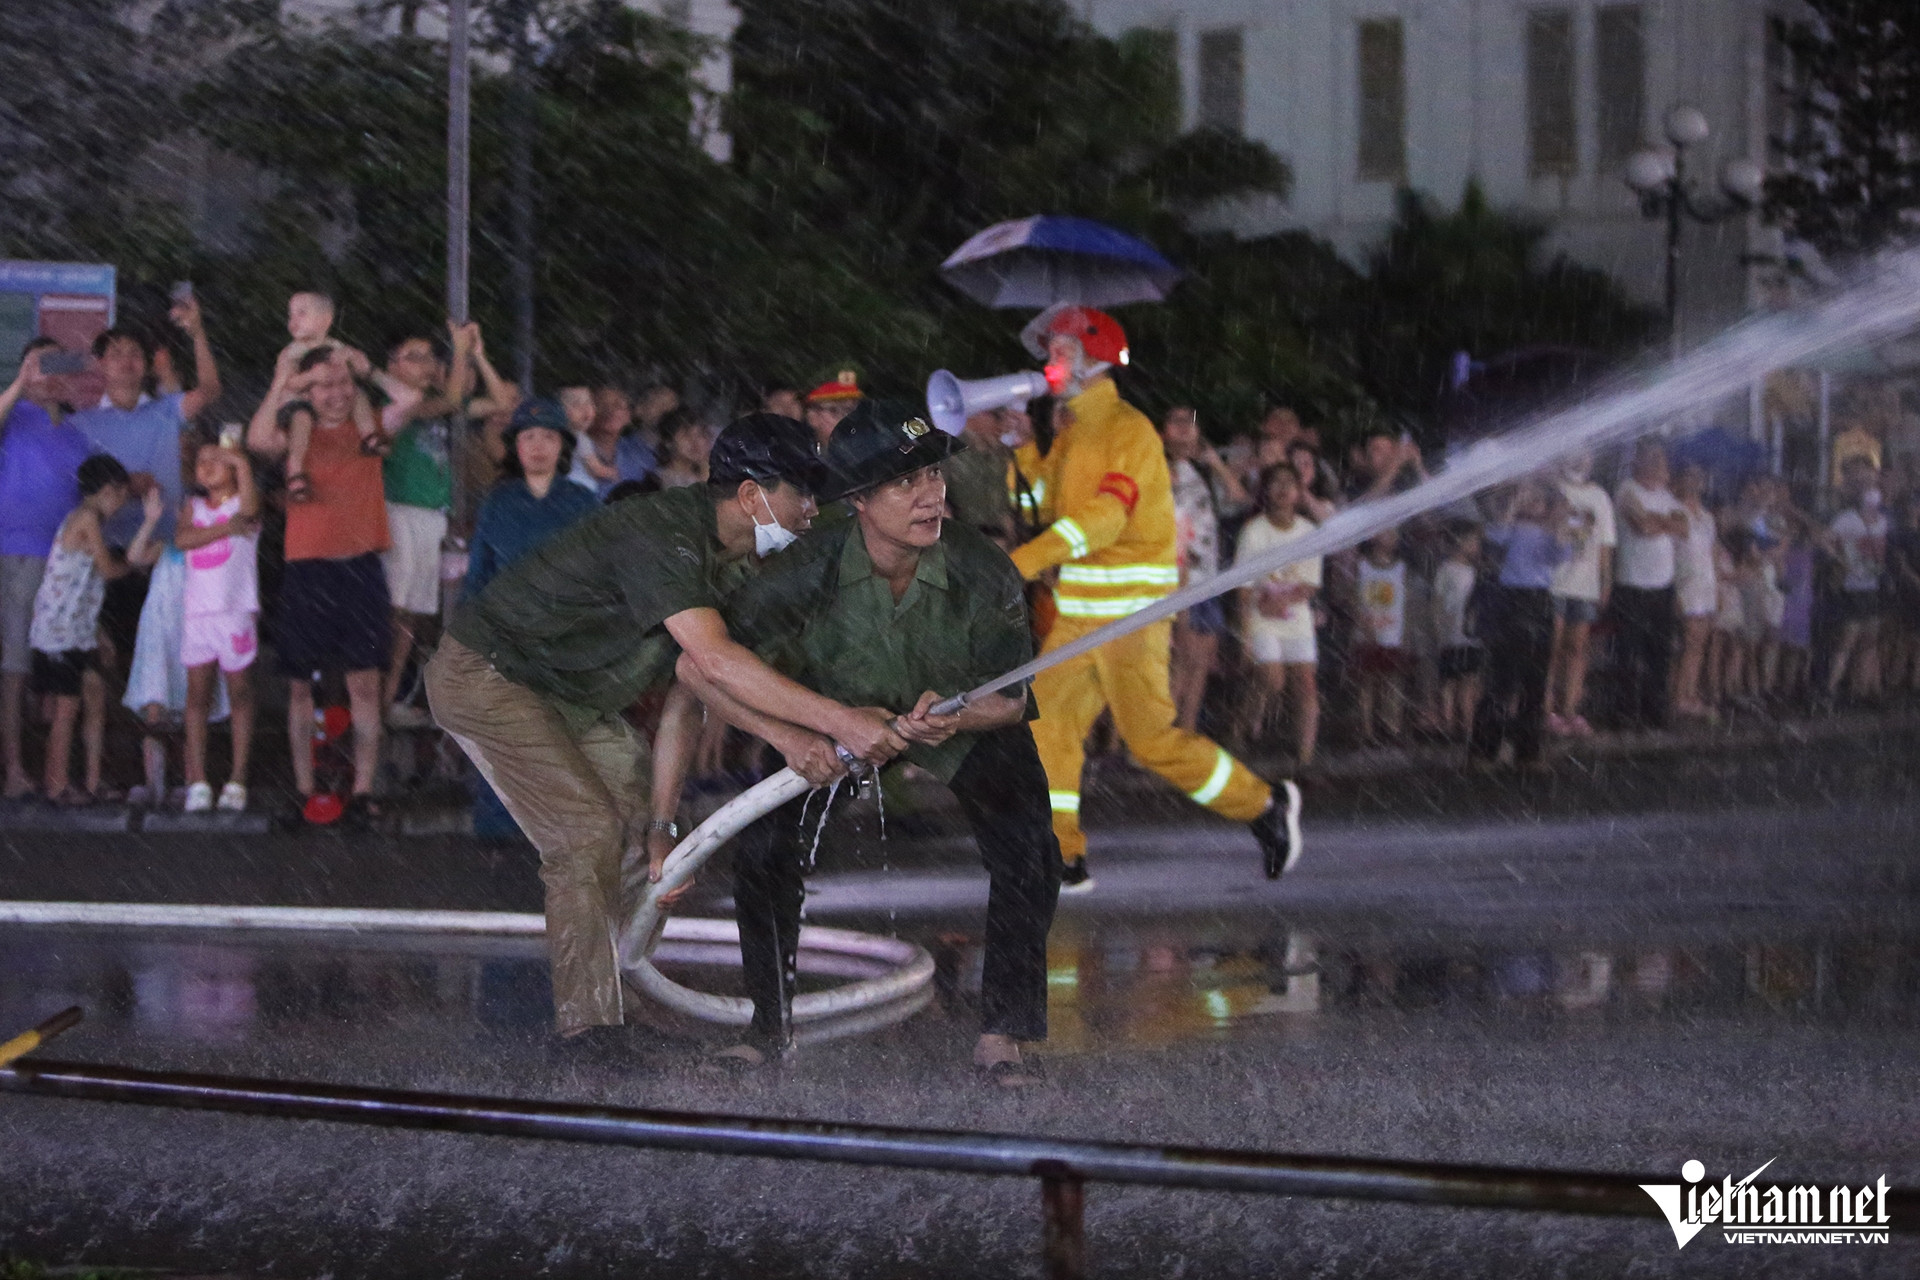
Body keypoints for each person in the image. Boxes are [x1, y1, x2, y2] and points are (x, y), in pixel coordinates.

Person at [425, 413, 906, 1051]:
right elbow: (714, 661)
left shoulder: (730, 557)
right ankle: (588, 1029)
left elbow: (692, 682)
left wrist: (664, 825)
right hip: (486, 675)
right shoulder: (665, 535)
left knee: (629, 806)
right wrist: (838, 721)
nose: (814, 508)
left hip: (565, 696)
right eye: (802, 491)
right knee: (583, 831)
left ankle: (614, 997)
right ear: (751, 495)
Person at [670, 402, 1060, 1082]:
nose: (932, 495)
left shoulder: (983, 567)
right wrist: (794, 733)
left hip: (954, 724)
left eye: (934, 475)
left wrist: (956, 717)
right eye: (907, 483)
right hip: (834, 722)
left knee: (1031, 846)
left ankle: (1005, 1031)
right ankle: (768, 1026)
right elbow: (720, 666)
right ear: (857, 501)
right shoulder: (801, 571)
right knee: (762, 851)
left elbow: (1013, 699)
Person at [1007, 304, 1300, 888]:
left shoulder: (1128, 430)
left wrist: (1020, 563)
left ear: (1096, 359)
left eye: (1061, 350)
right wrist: (1021, 449)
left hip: (1131, 619)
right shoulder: (1072, 433)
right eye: (1050, 350)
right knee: (1047, 729)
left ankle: (1264, 806)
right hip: (1077, 615)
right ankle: (1063, 855)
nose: (1049, 361)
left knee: (1151, 742)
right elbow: (1035, 507)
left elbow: (1106, 519)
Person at [246, 352, 393, 822]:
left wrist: (366, 369)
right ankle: (304, 788)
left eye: (343, 384)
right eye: (324, 386)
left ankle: (364, 791)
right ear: (308, 394)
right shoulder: (296, 434)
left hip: (360, 566)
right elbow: (255, 438)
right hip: (309, 568)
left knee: (365, 686)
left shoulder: (371, 430)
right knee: (299, 689)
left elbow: (410, 398)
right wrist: (287, 380)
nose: (337, 394)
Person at [381, 322, 520, 725]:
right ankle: (375, 703)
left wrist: (476, 354)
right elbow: (455, 396)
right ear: (391, 365)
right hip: (401, 510)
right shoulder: (398, 402)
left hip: (431, 517)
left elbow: (499, 402)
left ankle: (388, 701)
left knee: (410, 617)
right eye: (416, 357)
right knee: (395, 612)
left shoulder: (438, 403)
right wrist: (459, 352)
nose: (426, 366)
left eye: (429, 357)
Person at [70, 295, 222, 659]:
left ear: (145, 365)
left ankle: (160, 715)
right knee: (109, 652)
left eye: (134, 353)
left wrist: (198, 332)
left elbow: (211, 391)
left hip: (165, 550)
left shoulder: (167, 411)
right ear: (101, 365)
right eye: (117, 353)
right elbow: (75, 491)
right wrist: (126, 485)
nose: (127, 360)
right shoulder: (80, 424)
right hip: (107, 554)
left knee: (163, 649)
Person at [32, 456, 163, 804]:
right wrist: (136, 562)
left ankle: (92, 781)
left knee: (93, 695)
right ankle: (57, 784)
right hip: (59, 632)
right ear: (109, 491)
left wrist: (98, 631)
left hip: (76, 628)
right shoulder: (88, 519)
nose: (122, 505)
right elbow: (106, 571)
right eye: (122, 496)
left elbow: (86, 580)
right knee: (66, 708)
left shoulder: (84, 519)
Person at [0, 341, 93, 798]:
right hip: (13, 553)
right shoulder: (13, 415)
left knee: (57, 667)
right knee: (14, 666)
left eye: (59, 363)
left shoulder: (75, 433)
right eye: (43, 363)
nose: (52, 373)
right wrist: (22, 382)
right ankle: (15, 770)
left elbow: (95, 494)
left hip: (62, 565)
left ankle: (57, 776)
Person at [177, 442, 260, 813]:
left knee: (239, 692)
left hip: (234, 611)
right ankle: (197, 779)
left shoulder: (243, 507)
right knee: (196, 697)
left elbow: (250, 511)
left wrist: (241, 462)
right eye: (202, 459)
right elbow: (182, 539)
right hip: (198, 614)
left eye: (218, 460)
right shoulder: (192, 508)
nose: (207, 465)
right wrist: (227, 529)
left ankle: (238, 778)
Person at [1469, 480, 1573, 768]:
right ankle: (1485, 748)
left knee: (1535, 680)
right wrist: (1514, 505)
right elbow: (1495, 538)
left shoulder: (1548, 531)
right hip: (1510, 600)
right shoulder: (1510, 525)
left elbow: (1561, 554)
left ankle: (1527, 750)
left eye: (1538, 499)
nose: (1533, 503)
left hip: (1538, 600)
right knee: (1502, 677)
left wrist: (1559, 522)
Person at [1163, 406, 1250, 734]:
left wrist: (1217, 465)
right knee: (1180, 659)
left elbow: (1240, 499)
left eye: (1190, 422)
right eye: (1176, 421)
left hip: (1208, 578)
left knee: (1201, 660)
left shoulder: (1206, 472)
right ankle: (1160, 737)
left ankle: (1186, 729)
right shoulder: (1156, 465)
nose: (1184, 428)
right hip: (1175, 577)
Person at [1233, 465, 1320, 765]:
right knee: (1272, 678)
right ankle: (1242, 727)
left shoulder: (1308, 531)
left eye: (1289, 483)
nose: (1283, 489)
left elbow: (1309, 584)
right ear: (1266, 490)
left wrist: (1283, 599)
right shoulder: (1254, 532)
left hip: (1295, 618)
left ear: (1298, 491)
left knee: (1306, 685)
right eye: (1276, 483)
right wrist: (1245, 634)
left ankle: (1305, 759)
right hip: (1261, 615)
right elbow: (1243, 588)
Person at [1611, 439, 1687, 729]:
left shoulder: (1667, 496)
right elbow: (1641, 527)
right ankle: (1625, 712)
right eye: (1652, 458)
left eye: (1661, 458)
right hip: (1632, 584)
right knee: (1630, 653)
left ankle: (1654, 710)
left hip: (1662, 586)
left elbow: (1683, 527)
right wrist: (1663, 522)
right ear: (1639, 461)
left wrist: (1659, 521)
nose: (1659, 464)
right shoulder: (1627, 490)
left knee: (1660, 652)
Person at [1544, 452, 1615, 737]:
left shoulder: (1599, 496)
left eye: (1585, 454)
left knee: (1577, 648)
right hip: (1553, 582)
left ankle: (1570, 710)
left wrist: (1605, 581)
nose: (1580, 459)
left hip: (1585, 585)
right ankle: (1546, 708)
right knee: (1552, 647)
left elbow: (1605, 544)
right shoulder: (1553, 489)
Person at [1823, 459, 1888, 704]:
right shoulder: (1846, 519)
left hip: (1872, 584)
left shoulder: (1882, 521)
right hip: (1852, 586)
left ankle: (1862, 689)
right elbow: (1826, 540)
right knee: (1848, 640)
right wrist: (1840, 558)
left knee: (1869, 640)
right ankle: (1830, 689)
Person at [1670, 462, 1719, 719]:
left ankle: (1690, 693)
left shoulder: (1707, 517)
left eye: (1699, 477)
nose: (1696, 482)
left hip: (1705, 582)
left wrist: (1717, 588)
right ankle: (1679, 695)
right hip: (1686, 582)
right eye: (1691, 476)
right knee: (1688, 641)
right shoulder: (1675, 511)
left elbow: (1711, 554)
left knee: (1700, 643)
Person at [1353, 528, 1410, 744]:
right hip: (1366, 634)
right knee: (1367, 683)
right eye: (1387, 533)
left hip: (1393, 634)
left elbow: (1405, 602)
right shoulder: (1362, 566)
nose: (1392, 538)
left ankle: (1391, 726)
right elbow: (1355, 598)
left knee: (1392, 683)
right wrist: (1363, 624)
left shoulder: (1402, 568)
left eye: (1395, 534)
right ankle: (1366, 730)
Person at [1432, 521, 1483, 741]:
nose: (1476, 546)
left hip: (1472, 635)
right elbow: (1437, 601)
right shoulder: (1446, 570)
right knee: (1450, 681)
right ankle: (1449, 723)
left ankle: (1468, 725)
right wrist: (1439, 629)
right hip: (1452, 635)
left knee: (1469, 680)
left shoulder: (1476, 571)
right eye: (1472, 541)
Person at [559, 386, 615, 491]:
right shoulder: (580, 438)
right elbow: (596, 469)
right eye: (576, 404)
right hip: (580, 490)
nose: (586, 409)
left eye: (589, 403)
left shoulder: (571, 436)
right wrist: (614, 473)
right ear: (560, 411)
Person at [650, 408, 712, 489]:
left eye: (700, 435)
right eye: (686, 435)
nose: (695, 442)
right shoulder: (662, 479)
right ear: (668, 442)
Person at [803, 370, 863, 450]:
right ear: (812, 416)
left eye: (849, 410)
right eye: (834, 411)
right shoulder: (799, 457)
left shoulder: (869, 450)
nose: (845, 418)